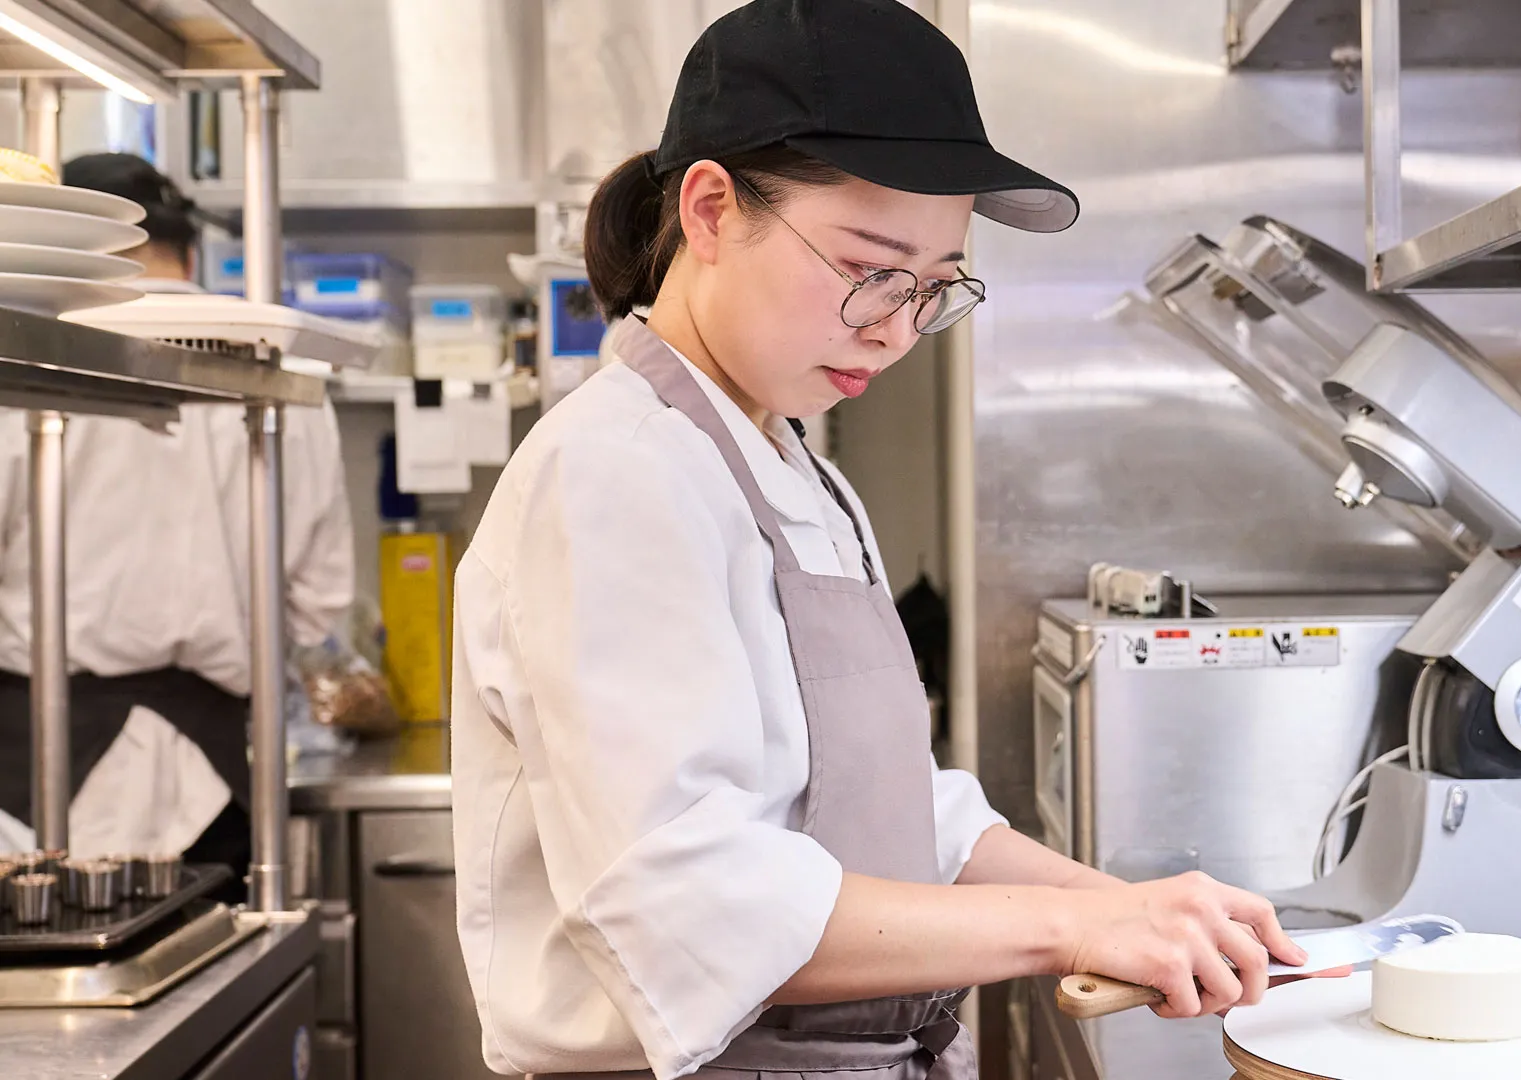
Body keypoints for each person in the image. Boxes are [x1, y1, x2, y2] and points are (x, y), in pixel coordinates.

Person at [450, 4, 1340, 1079]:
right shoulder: (616, 471)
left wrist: (1137, 910)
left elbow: (900, 811)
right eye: (870, 269)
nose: (895, 328)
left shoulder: (796, 468)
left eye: (934, 288)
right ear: (711, 210)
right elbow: (689, 895)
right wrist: (1070, 930)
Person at [0, 153, 353, 896]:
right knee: (219, 964)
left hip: (41, 768)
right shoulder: (278, 369)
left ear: (68, 244)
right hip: (219, 776)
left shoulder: (27, 353)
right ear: (190, 253)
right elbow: (319, 601)